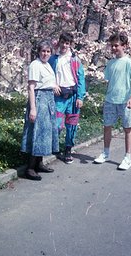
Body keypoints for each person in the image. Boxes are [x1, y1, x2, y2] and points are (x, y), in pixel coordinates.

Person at [94, 31, 131, 170]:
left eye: (116, 46)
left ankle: (127, 157)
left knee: (127, 128)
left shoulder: (129, 62)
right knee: (107, 126)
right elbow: (109, 81)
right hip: (110, 100)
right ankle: (106, 153)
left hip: (125, 101)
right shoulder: (111, 63)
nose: (113, 48)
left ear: (124, 46)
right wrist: (106, 94)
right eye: (112, 46)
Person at [21, 39, 59, 181]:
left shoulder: (47, 65)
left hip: (48, 100)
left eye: (48, 51)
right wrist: (33, 109)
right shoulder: (35, 65)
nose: (46, 53)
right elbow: (31, 87)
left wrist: (54, 85)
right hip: (39, 100)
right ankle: (30, 168)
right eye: (43, 51)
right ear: (38, 52)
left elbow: (48, 81)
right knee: (37, 132)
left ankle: (39, 163)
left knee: (45, 132)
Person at [49, 32, 86, 164]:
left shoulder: (75, 60)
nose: (64, 45)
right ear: (58, 42)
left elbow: (81, 79)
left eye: (67, 43)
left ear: (70, 45)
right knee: (57, 124)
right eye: (62, 42)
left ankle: (68, 149)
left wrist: (80, 97)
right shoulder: (53, 59)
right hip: (59, 97)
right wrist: (53, 84)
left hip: (73, 96)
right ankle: (55, 146)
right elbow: (47, 75)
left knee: (72, 125)